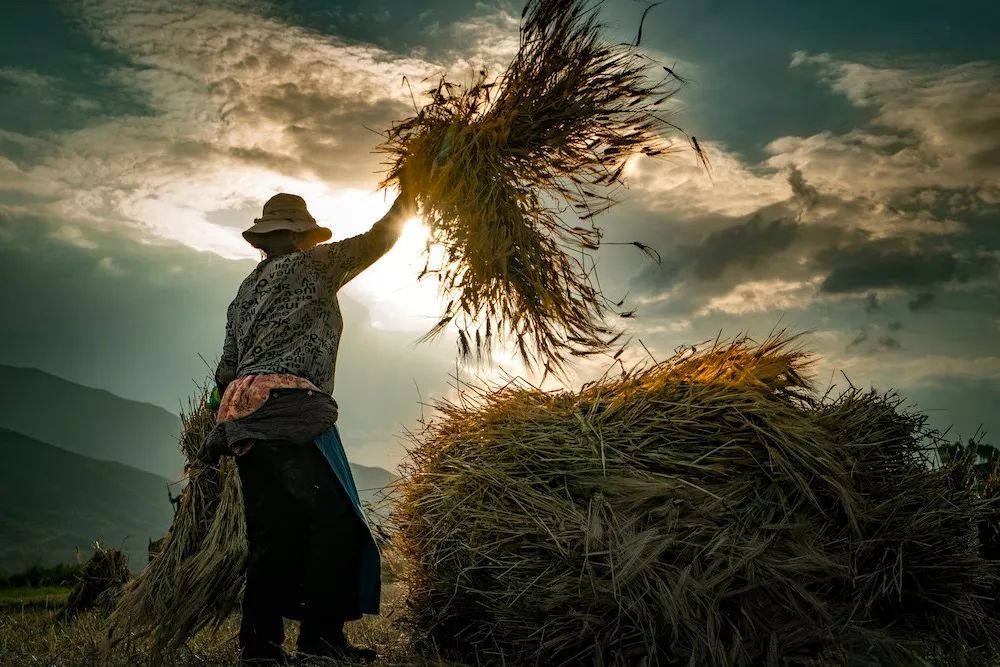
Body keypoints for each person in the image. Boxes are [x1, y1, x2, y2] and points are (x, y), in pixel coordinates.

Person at [204, 178, 415, 665]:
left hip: (243, 418)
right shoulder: (313, 266)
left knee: (273, 535)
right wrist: (413, 196)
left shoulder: (246, 289)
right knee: (335, 522)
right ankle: (321, 641)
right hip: (292, 412)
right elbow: (380, 239)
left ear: (265, 240)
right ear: (301, 237)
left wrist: (222, 426)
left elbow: (226, 369)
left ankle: (259, 647)